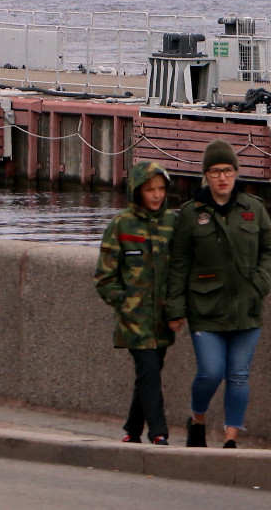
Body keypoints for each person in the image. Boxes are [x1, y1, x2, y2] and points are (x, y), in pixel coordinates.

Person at [164, 139, 271, 449]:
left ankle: (231, 439)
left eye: (228, 170)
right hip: (205, 307)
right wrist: (175, 309)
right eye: (215, 171)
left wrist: (260, 283)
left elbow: (270, 251)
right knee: (211, 372)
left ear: (236, 173)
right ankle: (198, 418)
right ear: (206, 176)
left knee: (239, 375)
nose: (222, 177)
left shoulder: (253, 208)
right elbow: (178, 264)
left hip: (247, 307)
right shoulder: (191, 213)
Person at [93, 159, 178, 445]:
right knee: (149, 372)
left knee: (148, 375)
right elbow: (104, 277)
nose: (156, 195)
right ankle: (159, 432)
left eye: (161, 189)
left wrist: (177, 309)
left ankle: (132, 428)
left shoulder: (172, 224)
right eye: (150, 189)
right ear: (137, 191)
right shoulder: (121, 225)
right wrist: (125, 305)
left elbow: (181, 271)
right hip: (134, 321)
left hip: (162, 320)